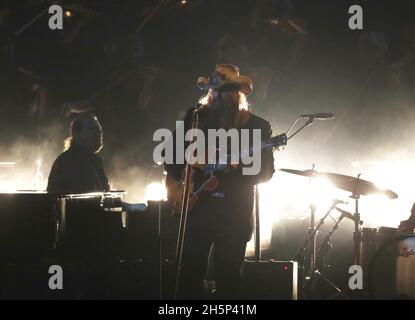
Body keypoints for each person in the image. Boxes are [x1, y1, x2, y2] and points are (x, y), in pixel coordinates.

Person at [165, 64, 275, 299]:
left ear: (239, 94)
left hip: (233, 215)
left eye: (229, 90)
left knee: (229, 278)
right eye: (217, 90)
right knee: (188, 277)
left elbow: (265, 172)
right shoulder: (193, 119)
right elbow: (169, 158)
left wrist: (238, 167)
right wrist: (183, 175)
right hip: (196, 210)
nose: (222, 96)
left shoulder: (257, 126)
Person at [47, 113, 109, 194]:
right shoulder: (68, 162)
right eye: (93, 129)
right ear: (78, 134)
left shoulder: (94, 160)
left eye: (100, 130)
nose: (99, 133)